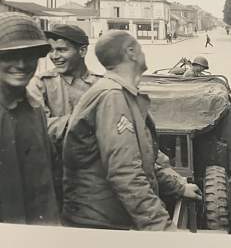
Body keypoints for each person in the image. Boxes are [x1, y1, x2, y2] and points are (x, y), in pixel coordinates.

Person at [62, 31, 202, 230]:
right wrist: (162, 227)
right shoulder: (113, 96)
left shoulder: (119, 93)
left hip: (108, 218)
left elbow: (143, 160)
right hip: (101, 225)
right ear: (131, 52)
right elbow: (125, 172)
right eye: (140, 49)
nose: (143, 53)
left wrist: (178, 187)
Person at [28, 24, 101, 209]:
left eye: (61, 50)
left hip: (93, 177)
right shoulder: (40, 84)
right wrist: (88, 123)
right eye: (51, 50)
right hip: (53, 176)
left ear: (83, 50)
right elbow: (38, 127)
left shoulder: (101, 86)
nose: (54, 56)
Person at [0, 12, 59, 225]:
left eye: (30, 55)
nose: (22, 64)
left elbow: (46, 182)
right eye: (8, 56)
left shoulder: (34, 108)